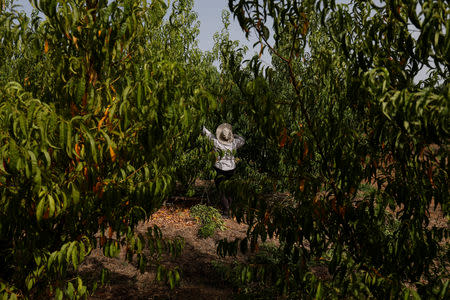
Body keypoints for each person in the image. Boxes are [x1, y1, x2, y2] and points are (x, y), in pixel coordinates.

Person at [202, 123, 245, 217]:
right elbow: (242, 140)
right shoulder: (234, 143)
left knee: (222, 191)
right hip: (231, 169)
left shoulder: (216, 143)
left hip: (220, 169)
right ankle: (231, 209)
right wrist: (235, 135)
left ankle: (226, 212)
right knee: (229, 189)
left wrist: (202, 126)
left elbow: (208, 134)